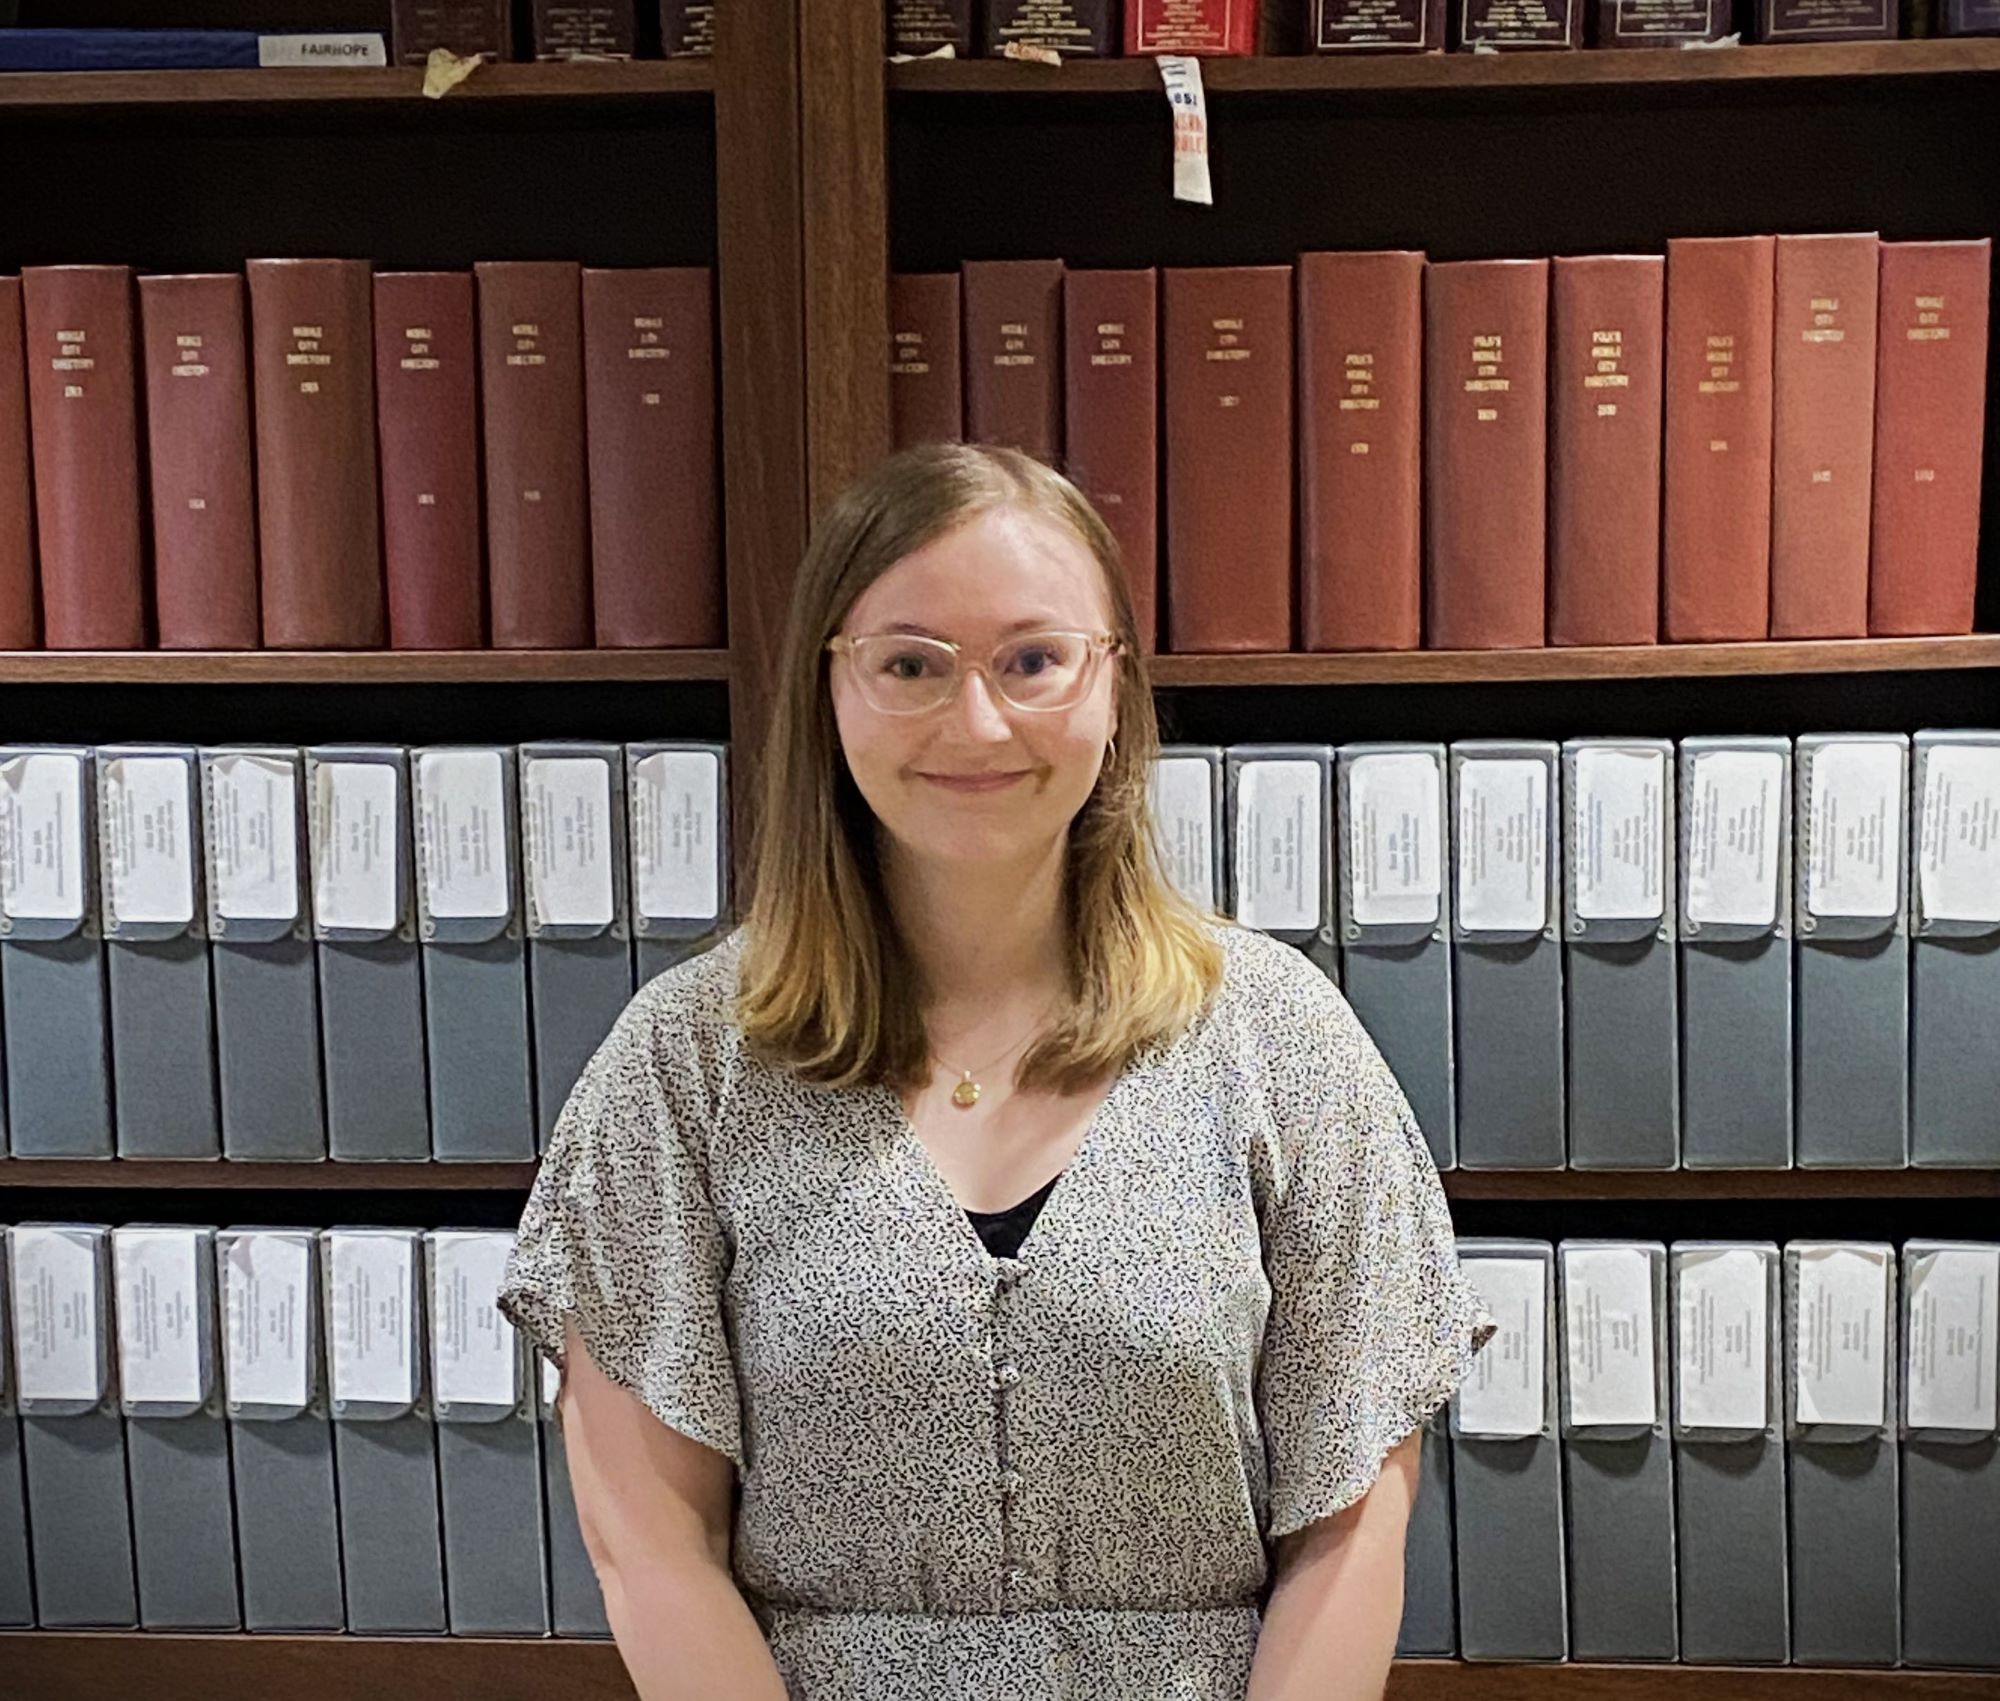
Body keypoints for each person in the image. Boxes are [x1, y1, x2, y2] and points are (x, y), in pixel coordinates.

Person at [498, 442, 1495, 1700]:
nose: (976, 722)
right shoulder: (686, 1064)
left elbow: (1347, 1524)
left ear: (1114, 686)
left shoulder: (1280, 1044)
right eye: (911, 664)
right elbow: (650, 1546)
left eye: (1031, 661)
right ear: (828, 690)